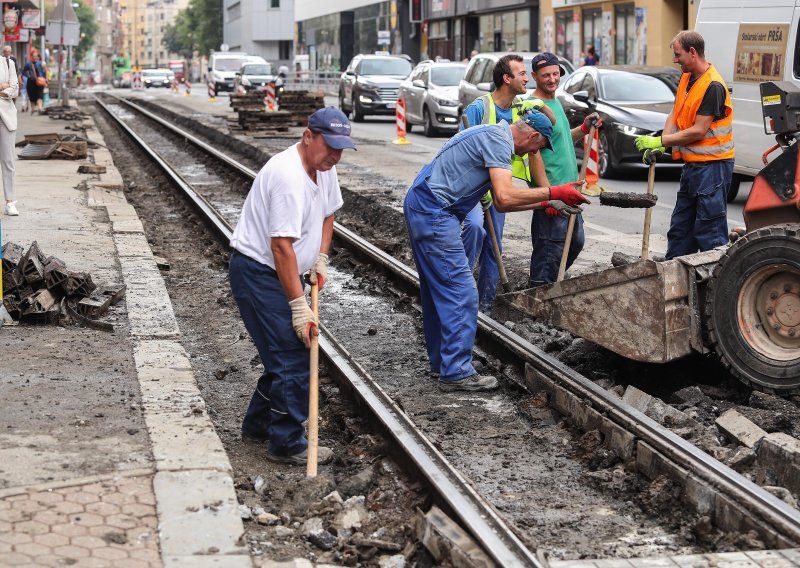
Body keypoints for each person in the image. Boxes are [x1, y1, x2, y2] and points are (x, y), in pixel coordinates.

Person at [404, 110, 588, 392]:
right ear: (533, 136)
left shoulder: (492, 134)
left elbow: (502, 204)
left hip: (423, 204)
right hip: (436, 212)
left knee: (437, 290)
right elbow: (504, 196)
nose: (533, 153)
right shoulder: (499, 142)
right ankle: (456, 372)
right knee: (462, 292)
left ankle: (443, 363)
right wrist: (554, 193)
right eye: (537, 147)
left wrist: (547, 203)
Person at [228, 107, 356, 465]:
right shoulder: (287, 176)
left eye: (341, 149)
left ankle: (259, 425)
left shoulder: (324, 167)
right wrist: (299, 307)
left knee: (282, 354)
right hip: (257, 272)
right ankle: (285, 442)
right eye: (330, 146)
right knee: (293, 353)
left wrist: (320, 257)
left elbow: (329, 213)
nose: (335, 155)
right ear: (308, 136)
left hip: (279, 271)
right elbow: (281, 247)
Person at [460, 54, 553, 312]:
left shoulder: (520, 110)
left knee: (494, 246)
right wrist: (477, 187)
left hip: (500, 189)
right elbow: (461, 148)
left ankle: (485, 307)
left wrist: (537, 104)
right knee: (475, 229)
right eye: (521, 73)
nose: (526, 77)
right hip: (472, 190)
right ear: (506, 78)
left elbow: (550, 127)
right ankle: (460, 295)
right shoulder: (480, 108)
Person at [635, 30, 734, 259]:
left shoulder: (713, 86)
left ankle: (713, 288)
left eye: (678, 54)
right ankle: (675, 278)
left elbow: (699, 131)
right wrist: (663, 143)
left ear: (692, 52)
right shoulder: (688, 77)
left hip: (713, 167)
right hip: (693, 167)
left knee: (710, 233)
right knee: (681, 230)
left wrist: (661, 140)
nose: (674, 60)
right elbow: (675, 112)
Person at [0, 47, 17, 216]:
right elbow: (6, 89)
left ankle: (10, 201)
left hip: (6, 117)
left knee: (8, 160)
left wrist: (7, 89)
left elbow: (14, 89)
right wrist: (2, 87)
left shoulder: (7, 63)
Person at [22, 48, 45, 114]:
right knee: (32, 96)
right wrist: (28, 76)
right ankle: (32, 109)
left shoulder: (41, 63)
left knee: (40, 95)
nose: (35, 57)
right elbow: (23, 72)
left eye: (36, 56)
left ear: (38, 57)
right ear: (31, 56)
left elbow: (44, 72)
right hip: (31, 82)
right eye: (33, 56)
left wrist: (44, 79)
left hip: (40, 82)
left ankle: (40, 108)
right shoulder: (28, 64)